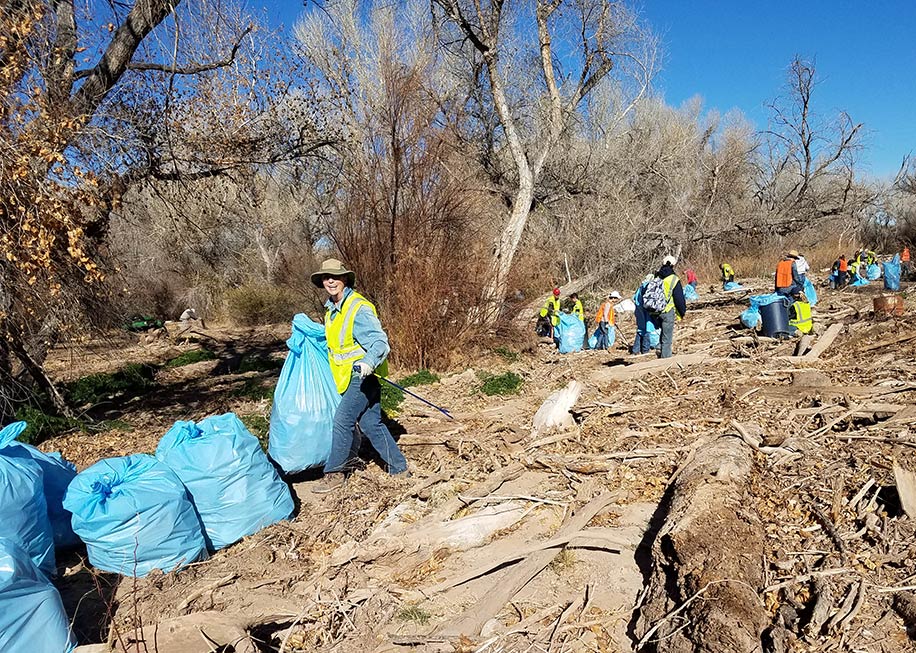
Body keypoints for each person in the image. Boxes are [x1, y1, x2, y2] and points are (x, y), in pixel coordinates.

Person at [309, 258, 408, 492]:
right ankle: (400, 468)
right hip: (347, 377)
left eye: (335, 277)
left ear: (345, 279)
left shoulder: (358, 307)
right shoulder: (332, 310)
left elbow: (379, 342)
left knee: (342, 421)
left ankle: (334, 473)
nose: (330, 281)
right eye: (326, 277)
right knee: (371, 424)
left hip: (363, 376)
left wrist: (368, 362)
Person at [647, 255, 687, 359]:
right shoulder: (673, 279)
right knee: (667, 338)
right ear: (673, 265)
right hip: (667, 310)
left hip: (655, 311)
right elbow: (679, 298)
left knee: (662, 334)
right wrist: (682, 312)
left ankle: (659, 349)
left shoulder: (656, 276)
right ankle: (665, 360)